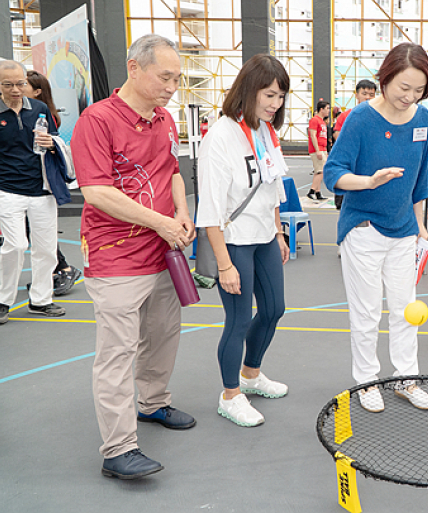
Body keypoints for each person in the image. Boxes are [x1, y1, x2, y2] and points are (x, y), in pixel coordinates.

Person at [71, 34, 196, 480]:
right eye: (165, 77)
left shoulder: (165, 119)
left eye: (177, 79)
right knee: (117, 352)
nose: (172, 87)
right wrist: (161, 222)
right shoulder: (97, 120)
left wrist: (181, 212)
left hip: (163, 250)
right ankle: (118, 448)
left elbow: (172, 170)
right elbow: (97, 192)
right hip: (115, 255)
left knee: (162, 335)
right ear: (134, 68)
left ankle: (153, 402)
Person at [324, 43, 428, 412]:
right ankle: (367, 381)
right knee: (367, 312)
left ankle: (406, 378)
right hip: (364, 229)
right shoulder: (360, 119)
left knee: (406, 310)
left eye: (419, 90)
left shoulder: (422, 119)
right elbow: (333, 174)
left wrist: (419, 225)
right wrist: (369, 182)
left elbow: (420, 179)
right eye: (404, 87)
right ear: (385, 78)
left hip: (404, 230)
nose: (410, 97)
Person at [197, 54, 291, 427]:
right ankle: (230, 395)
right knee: (238, 320)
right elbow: (210, 209)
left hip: (265, 236)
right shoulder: (220, 136)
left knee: (274, 309)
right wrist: (224, 265)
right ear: (249, 90)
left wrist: (279, 232)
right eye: (269, 95)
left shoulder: (266, 131)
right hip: (234, 241)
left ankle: (251, 374)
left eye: (280, 96)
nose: (275, 104)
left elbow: (272, 187)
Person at [0, 60, 66, 326]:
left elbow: (55, 139)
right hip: (7, 190)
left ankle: (41, 299)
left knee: (47, 249)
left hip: (42, 189)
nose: (16, 90)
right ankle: (3, 300)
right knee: (15, 245)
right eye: (8, 85)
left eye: (20, 83)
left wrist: (52, 143)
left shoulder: (39, 109)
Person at [23, 70, 83, 295]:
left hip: (39, 183)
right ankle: (52, 272)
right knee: (29, 232)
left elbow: (48, 148)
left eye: (23, 85)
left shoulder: (44, 115)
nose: (17, 89)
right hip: (22, 182)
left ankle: (63, 268)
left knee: (37, 231)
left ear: (37, 91)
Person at [332, 79, 377, 211]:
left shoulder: (378, 117)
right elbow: (337, 135)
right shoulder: (346, 115)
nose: (368, 97)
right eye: (364, 94)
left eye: (371, 94)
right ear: (356, 95)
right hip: (350, 163)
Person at [307, 101, 330, 200]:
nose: (328, 111)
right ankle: (312, 191)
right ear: (321, 109)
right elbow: (313, 135)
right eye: (327, 108)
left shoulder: (322, 121)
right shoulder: (314, 120)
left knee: (319, 171)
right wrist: (317, 150)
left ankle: (318, 192)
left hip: (322, 148)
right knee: (321, 171)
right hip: (318, 149)